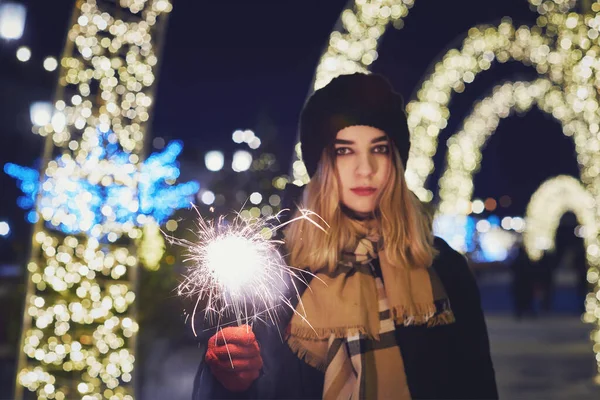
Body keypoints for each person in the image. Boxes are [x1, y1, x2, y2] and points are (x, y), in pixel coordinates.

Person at [192, 73, 498, 399]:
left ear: (395, 160)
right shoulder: (280, 270)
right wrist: (230, 380)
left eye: (378, 149)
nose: (364, 168)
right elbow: (247, 384)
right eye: (344, 151)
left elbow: (476, 385)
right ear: (322, 164)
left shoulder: (442, 267)